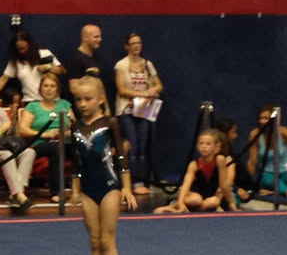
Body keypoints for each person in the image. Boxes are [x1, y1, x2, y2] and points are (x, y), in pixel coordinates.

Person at [66, 76, 136, 255]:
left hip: (109, 187)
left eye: (88, 99)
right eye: (78, 99)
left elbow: (121, 157)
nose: (82, 104)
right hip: (87, 190)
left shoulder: (110, 123)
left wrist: (127, 188)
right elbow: (76, 162)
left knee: (107, 240)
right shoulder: (75, 127)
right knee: (94, 241)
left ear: (100, 99)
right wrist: (75, 190)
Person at [5, 70, 72, 212]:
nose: (49, 89)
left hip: (64, 141)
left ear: (57, 89)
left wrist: (64, 133)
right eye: (46, 86)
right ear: (40, 89)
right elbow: (23, 129)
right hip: (40, 143)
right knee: (55, 149)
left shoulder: (65, 105)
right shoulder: (33, 106)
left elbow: (73, 126)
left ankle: (83, 189)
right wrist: (46, 134)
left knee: (80, 147)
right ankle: (56, 192)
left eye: (52, 86)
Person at [112, 32, 164, 197]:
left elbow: (159, 85)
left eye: (139, 43)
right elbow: (122, 89)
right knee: (132, 148)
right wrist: (144, 94)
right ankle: (132, 182)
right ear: (127, 46)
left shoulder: (147, 64)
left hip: (143, 109)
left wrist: (152, 91)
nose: (136, 46)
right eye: (133, 43)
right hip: (127, 110)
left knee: (143, 147)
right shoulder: (121, 65)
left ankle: (142, 180)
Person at [235, 105, 287, 202]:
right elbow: (252, 161)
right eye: (260, 118)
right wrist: (248, 185)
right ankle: (286, 190)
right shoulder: (255, 134)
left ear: (274, 120)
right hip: (267, 173)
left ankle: (276, 189)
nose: (262, 121)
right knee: (268, 180)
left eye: (266, 118)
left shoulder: (284, 132)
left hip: (286, 170)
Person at [163, 128, 234, 213]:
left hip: (209, 199)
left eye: (208, 144)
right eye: (201, 143)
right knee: (196, 199)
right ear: (197, 146)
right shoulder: (194, 165)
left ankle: (191, 210)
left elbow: (224, 185)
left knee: (214, 201)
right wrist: (180, 203)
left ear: (216, 147)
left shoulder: (220, 160)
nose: (204, 146)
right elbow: (185, 186)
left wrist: (232, 203)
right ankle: (176, 205)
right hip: (194, 197)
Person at [0, 27, 57, 104]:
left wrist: (48, 66)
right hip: (30, 101)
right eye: (19, 49)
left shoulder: (44, 53)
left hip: (51, 100)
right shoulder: (15, 62)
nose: (22, 51)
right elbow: (3, 79)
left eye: (24, 48)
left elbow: (62, 70)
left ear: (30, 45)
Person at [60, 24, 106, 104]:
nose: (100, 39)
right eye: (96, 37)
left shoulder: (94, 58)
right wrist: (88, 102)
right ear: (85, 38)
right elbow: (73, 88)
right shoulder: (76, 59)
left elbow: (99, 86)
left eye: (100, 36)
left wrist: (106, 108)